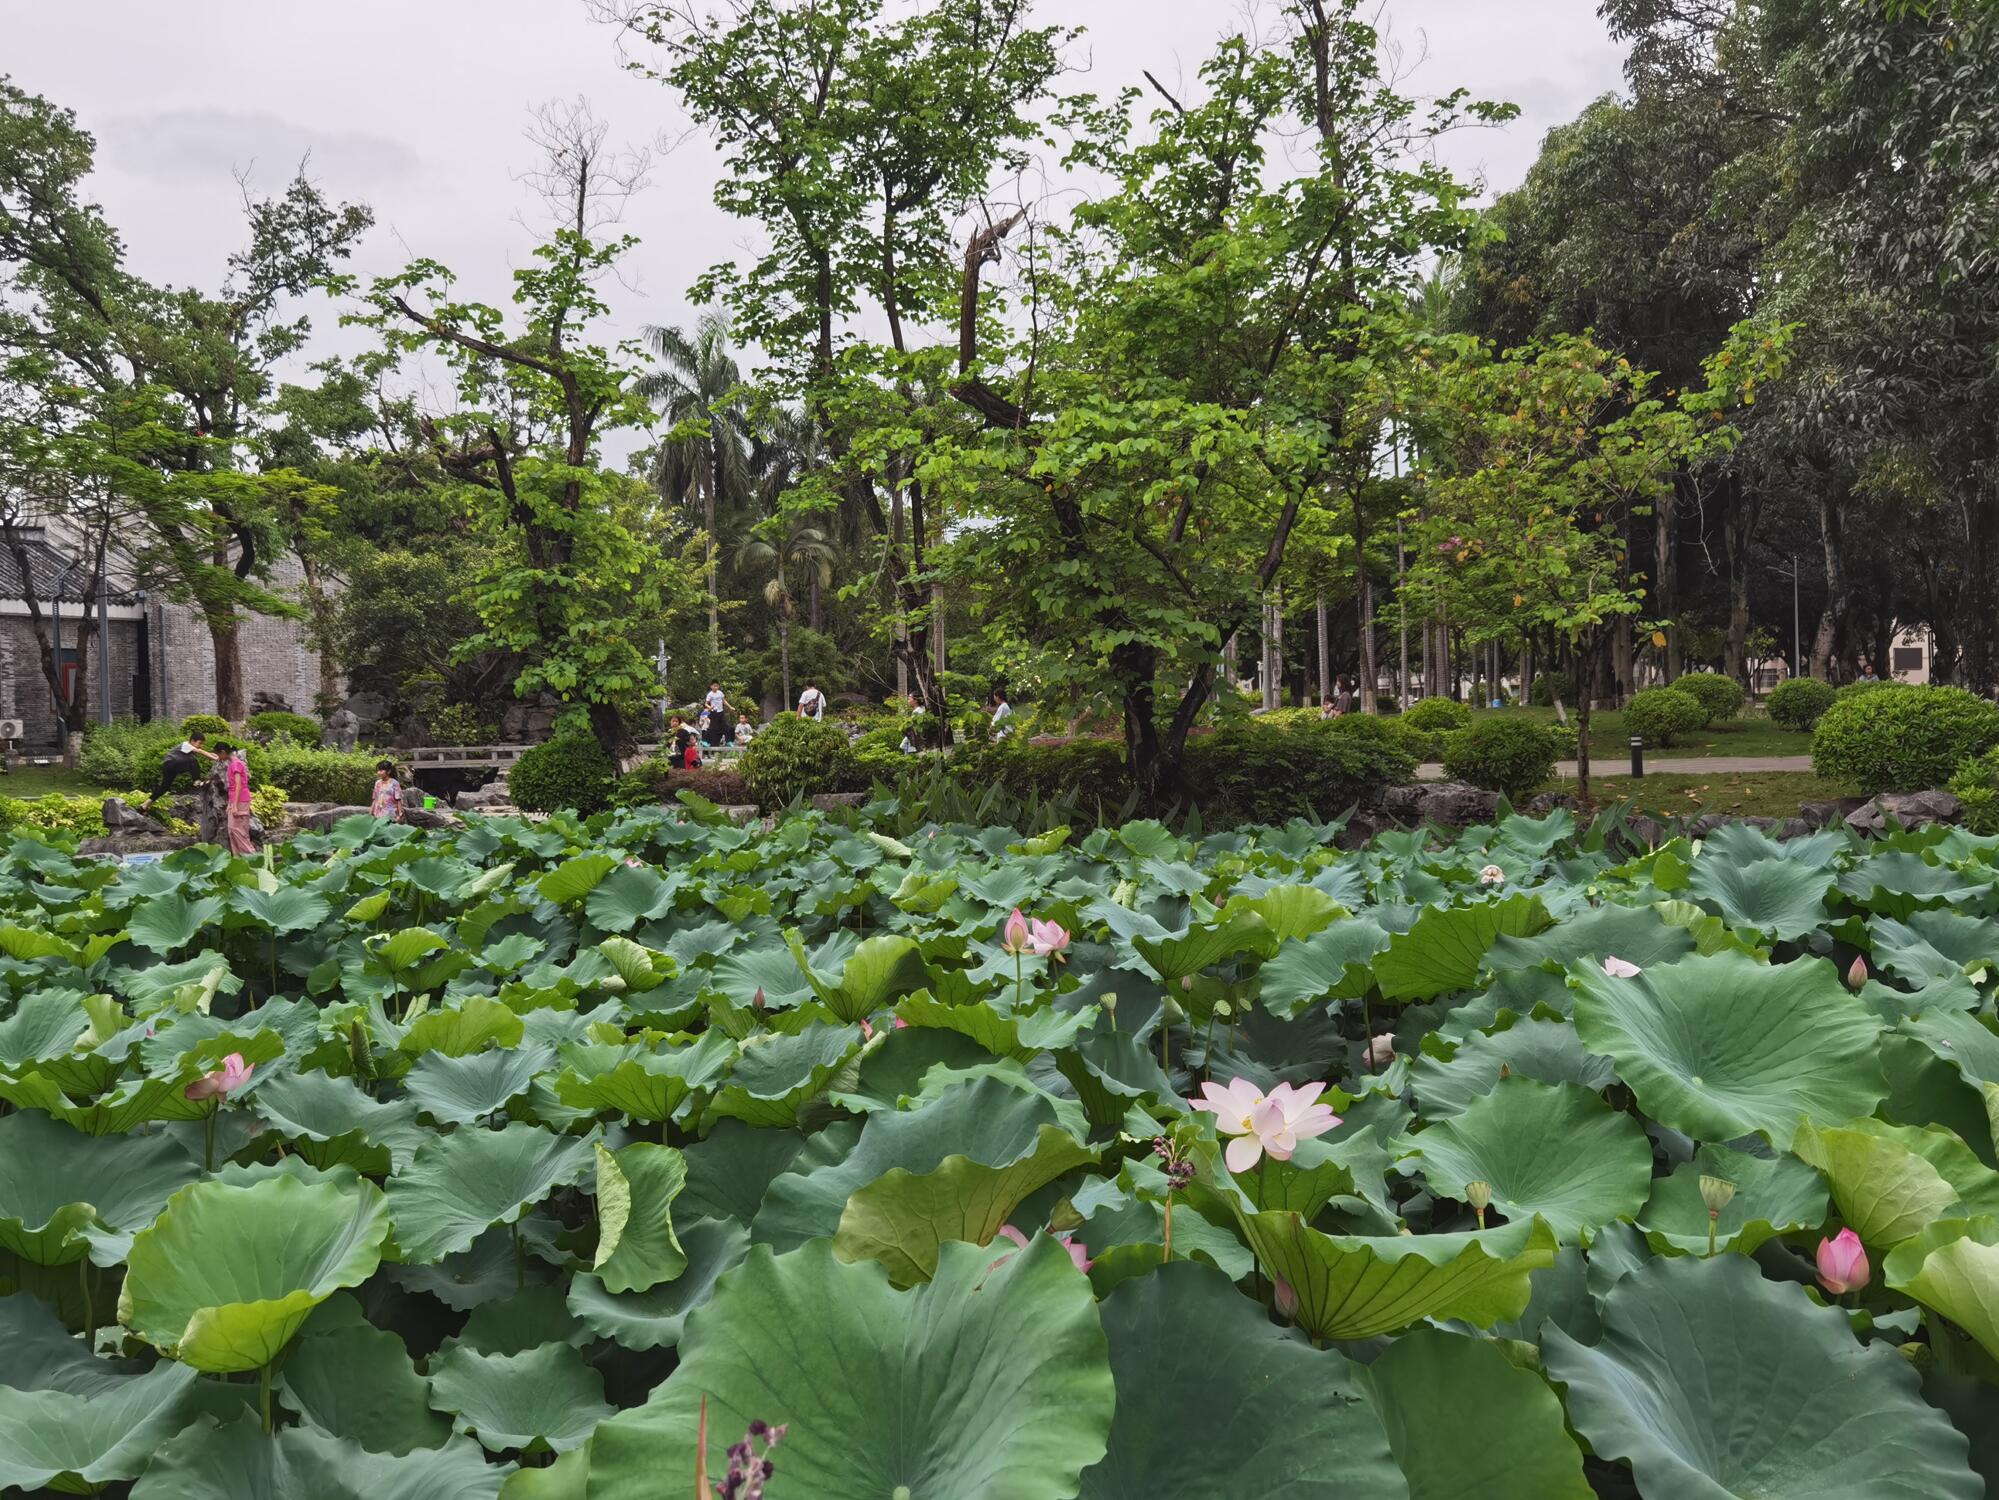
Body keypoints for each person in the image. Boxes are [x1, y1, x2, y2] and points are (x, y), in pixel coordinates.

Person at [143, 732, 219, 812]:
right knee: (192, 760)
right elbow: (200, 751)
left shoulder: (190, 748)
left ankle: (144, 805)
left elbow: (201, 750)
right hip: (170, 763)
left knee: (164, 788)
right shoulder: (185, 744)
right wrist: (215, 758)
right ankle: (197, 781)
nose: (201, 746)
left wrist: (212, 754)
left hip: (170, 767)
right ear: (192, 741)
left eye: (202, 744)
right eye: (199, 743)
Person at [221, 742, 255, 856]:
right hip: (235, 800)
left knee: (239, 831)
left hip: (240, 800)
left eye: (218, 754)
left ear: (223, 752)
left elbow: (238, 785)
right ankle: (238, 859)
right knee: (232, 830)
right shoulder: (233, 763)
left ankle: (252, 858)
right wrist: (230, 804)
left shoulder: (236, 764)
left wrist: (234, 805)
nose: (218, 757)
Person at [704, 681, 729, 746]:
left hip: (721, 712)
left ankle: (727, 741)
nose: (716, 687)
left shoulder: (720, 693)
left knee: (725, 726)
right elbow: (706, 704)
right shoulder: (710, 694)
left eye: (717, 686)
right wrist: (710, 707)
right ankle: (705, 740)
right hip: (714, 712)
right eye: (714, 686)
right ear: (711, 686)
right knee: (712, 728)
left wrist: (730, 707)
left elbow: (724, 701)